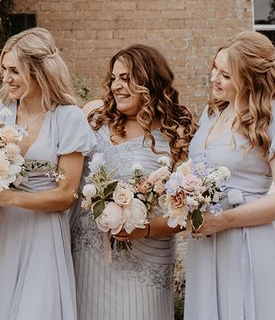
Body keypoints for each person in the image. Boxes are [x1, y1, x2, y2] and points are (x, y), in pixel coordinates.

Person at [0, 27, 95, 320]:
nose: (6, 78)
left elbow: (66, 194)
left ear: (39, 71)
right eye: (4, 69)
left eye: (14, 70)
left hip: (43, 232)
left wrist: (10, 198)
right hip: (3, 231)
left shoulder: (68, 118)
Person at [185, 31, 275, 319]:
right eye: (215, 68)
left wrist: (223, 220)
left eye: (225, 75)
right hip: (207, 246)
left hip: (251, 242)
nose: (214, 78)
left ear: (248, 78)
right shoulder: (211, 115)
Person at [72, 45, 196, 320]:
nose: (116, 85)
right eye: (114, 78)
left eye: (126, 78)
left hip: (144, 260)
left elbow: (187, 211)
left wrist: (146, 229)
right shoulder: (93, 119)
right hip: (88, 259)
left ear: (148, 81)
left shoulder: (177, 134)